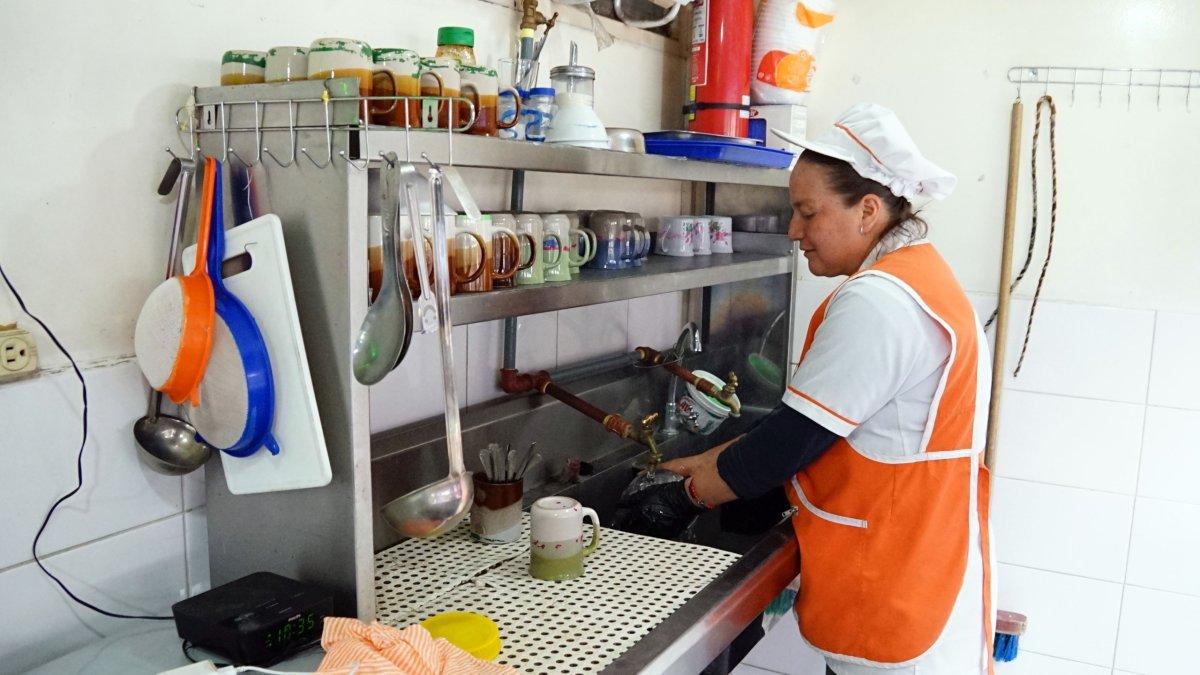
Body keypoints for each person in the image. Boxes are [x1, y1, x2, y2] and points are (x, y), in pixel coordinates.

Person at [641, 103, 996, 675]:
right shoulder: (917, 277)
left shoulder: (880, 300)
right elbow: (814, 421)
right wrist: (708, 458)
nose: (793, 231)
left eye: (808, 212)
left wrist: (684, 496)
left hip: (894, 587)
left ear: (869, 210)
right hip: (921, 564)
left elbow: (791, 441)